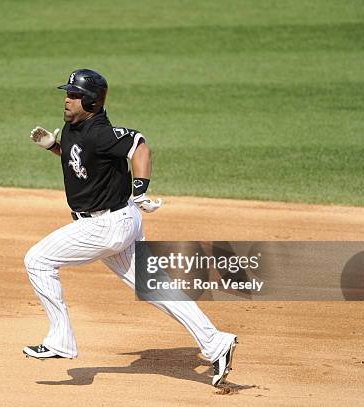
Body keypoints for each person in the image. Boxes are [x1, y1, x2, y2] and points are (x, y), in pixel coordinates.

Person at [23, 69, 237, 387]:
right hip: (117, 223)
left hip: (107, 224)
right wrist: (54, 146)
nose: (67, 99)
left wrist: (140, 190)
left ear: (92, 101)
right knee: (154, 287)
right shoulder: (74, 128)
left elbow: (140, 146)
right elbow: (81, 159)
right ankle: (216, 343)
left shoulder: (100, 132)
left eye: (74, 94)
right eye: (66, 92)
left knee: (37, 260)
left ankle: (61, 340)